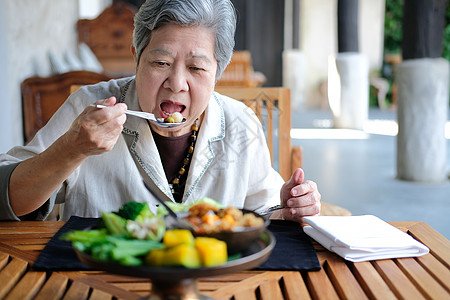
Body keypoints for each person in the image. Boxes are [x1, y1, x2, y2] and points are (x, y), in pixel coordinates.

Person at [0, 0, 320, 221]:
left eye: (196, 67)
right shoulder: (89, 107)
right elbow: (8, 200)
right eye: (160, 63)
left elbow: (265, 211)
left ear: (218, 72)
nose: (177, 83)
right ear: (136, 57)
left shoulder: (240, 123)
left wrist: (290, 206)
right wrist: (70, 150)